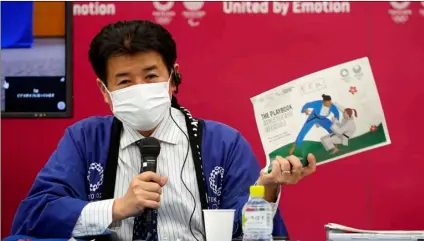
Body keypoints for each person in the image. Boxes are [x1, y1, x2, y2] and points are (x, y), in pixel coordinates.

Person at [10, 20, 317, 241]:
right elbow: (36, 214)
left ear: (173, 79)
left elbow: (246, 229)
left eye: (151, 76)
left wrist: (267, 185)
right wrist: (117, 207)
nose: (140, 89)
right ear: (105, 91)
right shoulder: (85, 140)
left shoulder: (224, 144)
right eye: (125, 82)